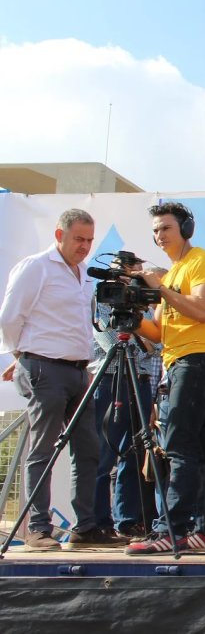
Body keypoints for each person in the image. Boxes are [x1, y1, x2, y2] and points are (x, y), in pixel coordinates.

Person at [0, 208, 121, 551]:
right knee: (43, 450)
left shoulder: (84, 273)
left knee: (88, 448)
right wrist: (21, 355)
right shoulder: (36, 266)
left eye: (89, 240)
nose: (84, 246)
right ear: (59, 236)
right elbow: (10, 317)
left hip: (78, 370)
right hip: (44, 368)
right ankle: (37, 528)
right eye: (78, 239)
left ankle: (85, 526)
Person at [126, 202, 205, 554]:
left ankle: (171, 530)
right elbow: (158, 335)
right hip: (178, 360)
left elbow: (201, 310)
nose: (159, 236)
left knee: (179, 447)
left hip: (197, 359)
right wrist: (130, 315)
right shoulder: (169, 275)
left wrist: (161, 289)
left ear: (185, 228)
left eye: (166, 228)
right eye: (155, 230)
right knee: (201, 450)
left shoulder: (202, 261)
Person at [90, 269, 161, 541]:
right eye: (123, 279)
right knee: (104, 452)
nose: (128, 285)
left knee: (133, 452)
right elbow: (110, 342)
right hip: (110, 378)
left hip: (140, 380)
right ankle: (98, 520)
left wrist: (142, 338)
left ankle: (127, 520)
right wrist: (144, 340)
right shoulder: (103, 300)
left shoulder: (142, 307)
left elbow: (159, 344)